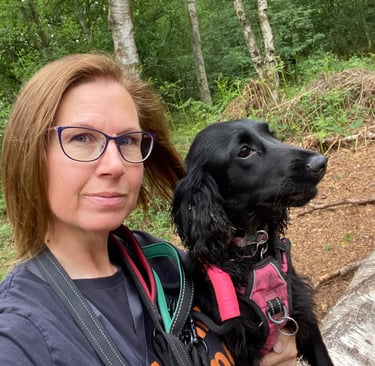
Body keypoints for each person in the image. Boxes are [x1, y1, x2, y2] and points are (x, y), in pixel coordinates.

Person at [0, 53, 297, 366]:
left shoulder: (172, 268)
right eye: (82, 138)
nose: (115, 165)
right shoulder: (20, 334)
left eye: (128, 140)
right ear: (30, 155)